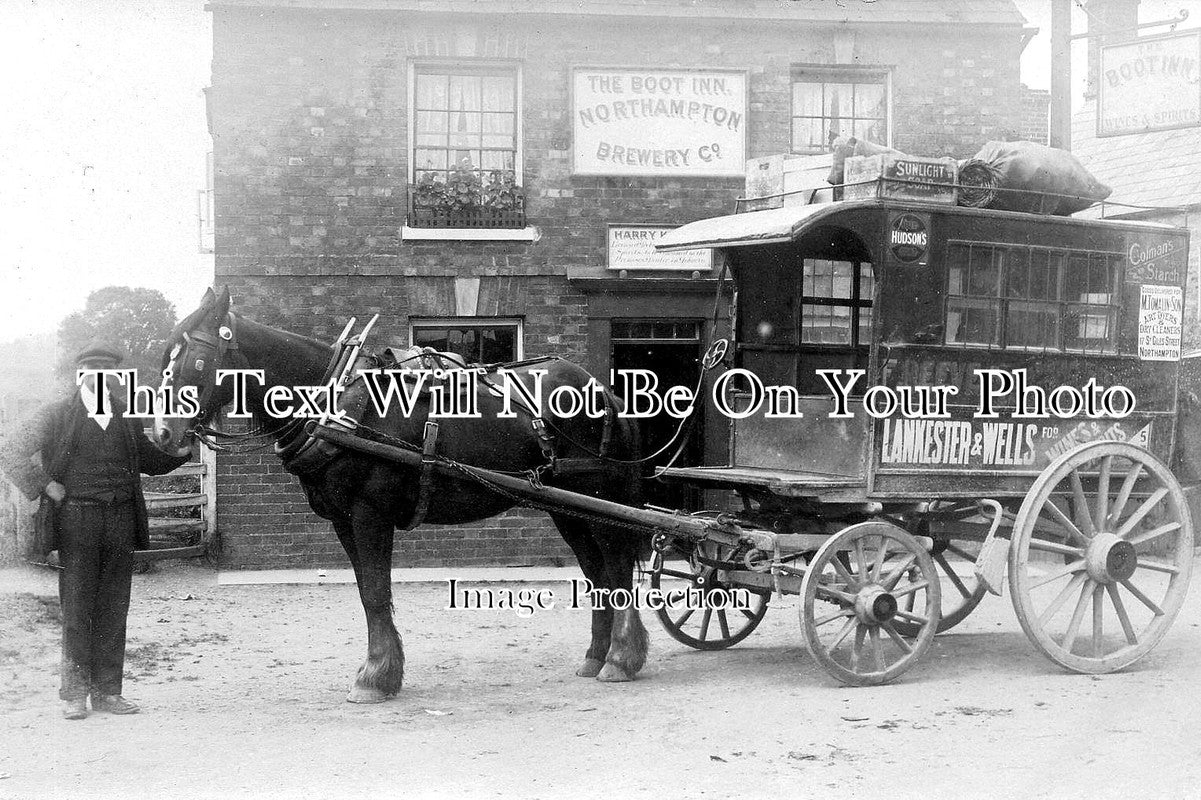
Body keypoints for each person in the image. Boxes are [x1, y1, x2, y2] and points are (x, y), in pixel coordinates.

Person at [0, 342, 188, 720]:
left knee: (115, 606)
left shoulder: (125, 415)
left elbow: (150, 460)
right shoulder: (56, 414)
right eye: (93, 372)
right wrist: (45, 484)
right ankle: (74, 694)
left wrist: (180, 451)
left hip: (120, 518)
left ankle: (108, 693)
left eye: (109, 373)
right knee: (77, 605)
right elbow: (10, 450)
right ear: (81, 375)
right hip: (77, 520)